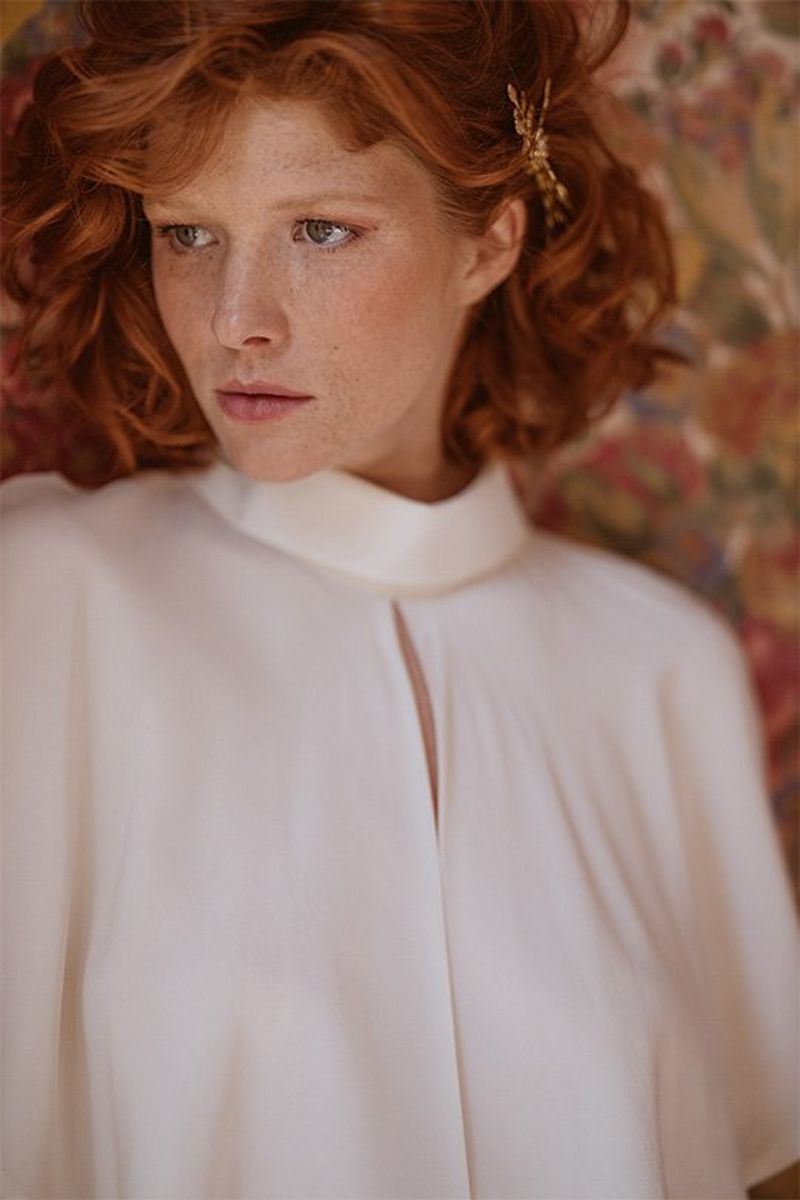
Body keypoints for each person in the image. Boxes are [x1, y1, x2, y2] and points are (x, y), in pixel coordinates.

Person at [1, 1, 798, 1197]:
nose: (235, 321)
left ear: (487, 244)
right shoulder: (45, 598)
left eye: (320, 229)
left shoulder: (659, 673)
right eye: (187, 235)